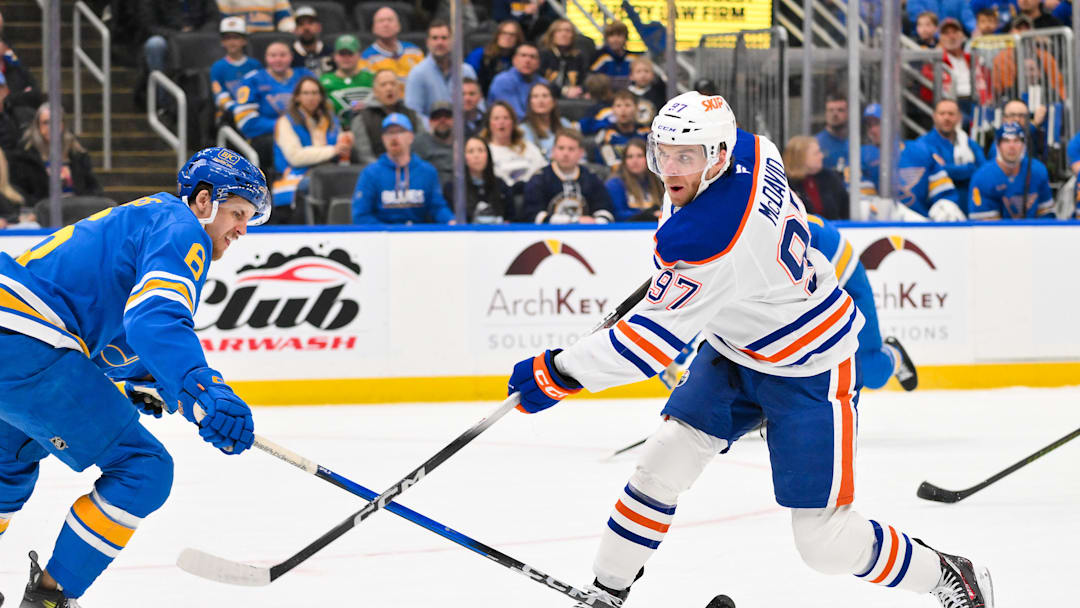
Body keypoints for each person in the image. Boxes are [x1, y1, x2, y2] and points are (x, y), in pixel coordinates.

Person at [505, 90, 994, 608]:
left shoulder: (713, 237)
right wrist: (675, 281)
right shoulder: (753, 150)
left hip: (811, 366)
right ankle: (606, 592)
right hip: (737, 350)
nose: (669, 168)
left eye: (684, 156)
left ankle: (948, 574)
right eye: (662, 152)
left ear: (716, 157)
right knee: (661, 463)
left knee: (822, 542)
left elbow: (646, 348)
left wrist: (555, 372)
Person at [0, 147, 268, 608]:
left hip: (15, 334)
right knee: (143, 469)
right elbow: (154, 318)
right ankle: (49, 600)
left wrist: (146, 380)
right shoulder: (184, 229)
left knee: (8, 466)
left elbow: (118, 335)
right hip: (27, 341)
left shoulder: (149, 218)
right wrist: (204, 389)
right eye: (237, 212)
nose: (242, 228)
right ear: (204, 201)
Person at [351, 113, 453, 225]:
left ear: (411, 137)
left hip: (418, 236)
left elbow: (437, 207)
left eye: (399, 131)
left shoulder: (427, 172)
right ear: (383, 138)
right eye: (389, 133)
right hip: (382, 237)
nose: (394, 137)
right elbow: (361, 216)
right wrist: (391, 233)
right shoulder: (370, 174)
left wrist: (451, 221)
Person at [271, 76, 349, 223]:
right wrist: (333, 150)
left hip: (328, 173)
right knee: (316, 184)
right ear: (297, 97)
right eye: (306, 93)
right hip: (294, 178)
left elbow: (341, 149)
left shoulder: (331, 120)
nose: (311, 97)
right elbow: (295, 157)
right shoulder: (285, 121)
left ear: (321, 97)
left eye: (315, 93)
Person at [233, 41, 315, 169]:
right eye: (273, 55)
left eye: (283, 55)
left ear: (291, 57)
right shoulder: (252, 80)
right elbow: (246, 122)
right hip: (268, 137)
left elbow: (322, 108)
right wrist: (284, 127)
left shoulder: (305, 75)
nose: (278, 59)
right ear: (266, 58)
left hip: (307, 130)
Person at [10, 103, 102, 204]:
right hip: (42, 211)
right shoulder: (24, 155)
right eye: (46, 123)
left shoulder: (77, 153)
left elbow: (94, 187)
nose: (51, 127)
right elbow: (19, 192)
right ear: (37, 126)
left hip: (76, 209)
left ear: (63, 124)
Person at [522, 128, 614, 224]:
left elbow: (605, 210)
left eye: (571, 149)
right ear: (553, 151)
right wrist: (572, 221)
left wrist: (596, 222)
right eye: (561, 148)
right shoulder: (539, 179)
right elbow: (532, 215)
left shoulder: (591, 178)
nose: (565, 154)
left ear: (581, 153)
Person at [968, 122, 1054, 219]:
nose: (1011, 146)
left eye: (1016, 140)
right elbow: (986, 227)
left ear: (1024, 145)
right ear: (998, 145)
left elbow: (1046, 215)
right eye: (1006, 141)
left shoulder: (1038, 170)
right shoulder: (983, 177)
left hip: (1033, 232)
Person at [405, 19, 478, 126]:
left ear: (453, 41)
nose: (439, 42)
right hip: (431, 135)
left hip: (465, 132)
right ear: (427, 42)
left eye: (444, 38)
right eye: (435, 38)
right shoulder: (417, 74)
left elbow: (478, 107)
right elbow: (414, 114)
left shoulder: (466, 71)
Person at [916, 99, 985, 210]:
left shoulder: (969, 143)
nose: (946, 118)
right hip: (937, 211)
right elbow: (930, 174)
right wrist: (969, 168)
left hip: (968, 207)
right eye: (942, 113)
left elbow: (982, 171)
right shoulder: (922, 144)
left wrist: (945, 168)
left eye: (951, 114)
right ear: (934, 116)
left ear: (959, 117)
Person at [355, 69, 424, 158]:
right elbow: (364, 155)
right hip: (377, 169)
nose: (389, 88)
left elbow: (422, 147)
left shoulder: (412, 114)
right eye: (383, 85)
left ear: (399, 89)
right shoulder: (362, 118)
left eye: (393, 84)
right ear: (375, 91)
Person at [481, 101, 548, 191]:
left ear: (513, 123)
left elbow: (543, 171)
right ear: (489, 124)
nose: (501, 122)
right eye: (496, 118)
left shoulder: (528, 146)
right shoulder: (484, 150)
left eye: (506, 118)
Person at [446, 136, 513, 223]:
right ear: (464, 157)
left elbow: (511, 218)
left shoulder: (501, 185)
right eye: (471, 151)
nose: (476, 156)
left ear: (488, 155)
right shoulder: (453, 187)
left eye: (481, 150)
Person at [895, 139, 967, 220]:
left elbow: (945, 195)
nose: (879, 129)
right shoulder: (878, 157)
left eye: (879, 125)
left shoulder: (921, 152)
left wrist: (945, 206)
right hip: (881, 227)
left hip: (920, 228)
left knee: (947, 209)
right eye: (877, 125)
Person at [211, 17, 262, 126]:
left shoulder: (255, 65)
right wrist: (237, 108)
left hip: (254, 111)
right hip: (228, 114)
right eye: (227, 38)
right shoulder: (217, 67)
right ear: (222, 42)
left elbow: (261, 89)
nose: (231, 42)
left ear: (244, 41)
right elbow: (219, 95)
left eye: (236, 37)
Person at [783, 135, 849, 219]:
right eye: (816, 153)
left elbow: (845, 210)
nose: (821, 156)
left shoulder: (830, 178)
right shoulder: (786, 184)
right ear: (800, 158)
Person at [319, 34, 374, 125]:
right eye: (342, 54)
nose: (346, 58)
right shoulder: (324, 82)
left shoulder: (372, 78)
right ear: (335, 56)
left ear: (359, 55)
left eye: (350, 53)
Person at [487, 43, 548, 122]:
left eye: (532, 57)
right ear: (514, 60)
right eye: (523, 55)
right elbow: (514, 116)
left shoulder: (543, 83)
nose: (527, 60)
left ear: (538, 63)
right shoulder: (503, 81)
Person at [605, 138, 663, 221]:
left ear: (648, 158)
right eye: (630, 157)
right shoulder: (614, 184)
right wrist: (648, 215)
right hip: (627, 231)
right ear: (624, 161)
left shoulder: (658, 182)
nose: (634, 161)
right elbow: (617, 215)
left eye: (639, 156)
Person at [361, 7, 424, 82]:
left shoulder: (414, 50)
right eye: (381, 21)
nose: (386, 24)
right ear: (373, 28)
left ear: (399, 26)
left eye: (390, 20)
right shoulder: (366, 58)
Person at [465, 20, 524, 95]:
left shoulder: (521, 57)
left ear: (517, 38)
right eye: (504, 33)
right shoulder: (480, 53)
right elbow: (468, 78)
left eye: (512, 35)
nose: (508, 37)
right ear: (497, 35)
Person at [595, 90, 650, 170]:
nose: (623, 110)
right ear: (613, 109)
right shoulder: (606, 135)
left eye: (627, 105)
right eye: (618, 106)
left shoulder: (646, 133)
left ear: (636, 108)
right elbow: (607, 164)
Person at [521, 82, 573, 159]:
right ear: (530, 103)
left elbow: (578, 153)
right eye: (535, 96)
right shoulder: (522, 130)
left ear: (554, 101)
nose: (540, 101)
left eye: (545, 96)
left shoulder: (565, 124)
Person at [539, 19, 586, 99]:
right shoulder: (543, 55)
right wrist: (564, 90)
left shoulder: (578, 57)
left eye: (568, 31)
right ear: (552, 35)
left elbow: (584, 79)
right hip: (546, 96)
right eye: (559, 31)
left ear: (573, 36)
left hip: (573, 99)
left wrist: (580, 90)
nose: (564, 34)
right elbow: (538, 79)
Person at [412, 101, 454, 186]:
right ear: (430, 121)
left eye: (447, 116)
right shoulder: (419, 143)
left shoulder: (464, 142)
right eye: (437, 117)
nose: (442, 120)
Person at [589, 21, 637, 91]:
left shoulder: (633, 58)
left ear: (625, 38)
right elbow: (592, 78)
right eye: (611, 35)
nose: (615, 39)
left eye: (619, 35)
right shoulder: (600, 57)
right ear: (607, 38)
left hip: (628, 96)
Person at [291, 5, 334, 75]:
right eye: (301, 24)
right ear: (295, 30)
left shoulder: (330, 52)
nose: (306, 28)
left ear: (319, 27)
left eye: (310, 23)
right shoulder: (290, 56)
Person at [815, 92, 849, 172]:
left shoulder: (856, 143)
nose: (835, 114)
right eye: (831, 110)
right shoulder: (816, 144)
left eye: (840, 110)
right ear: (826, 114)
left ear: (847, 114)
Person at [627, 56, 666, 125]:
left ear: (653, 75)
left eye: (646, 71)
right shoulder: (626, 94)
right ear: (631, 76)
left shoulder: (658, 92)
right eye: (638, 71)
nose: (643, 75)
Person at [217, 0, 295, 33]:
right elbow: (223, 19)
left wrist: (289, 30)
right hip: (240, 37)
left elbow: (285, 18)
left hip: (268, 36)